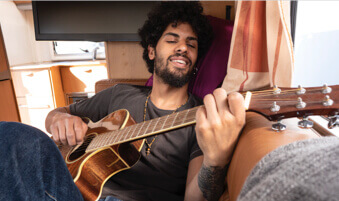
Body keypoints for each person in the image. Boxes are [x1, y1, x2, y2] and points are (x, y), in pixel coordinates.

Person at [0, 2, 246, 201]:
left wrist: (215, 161)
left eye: (191, 44)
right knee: (9, 134)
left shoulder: (202, 116)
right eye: (172, 40)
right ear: (151, 51)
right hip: (74, 190)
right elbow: (56, 113)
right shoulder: (120, 94)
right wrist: (60, 118)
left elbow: (195, 198)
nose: (183, 48)